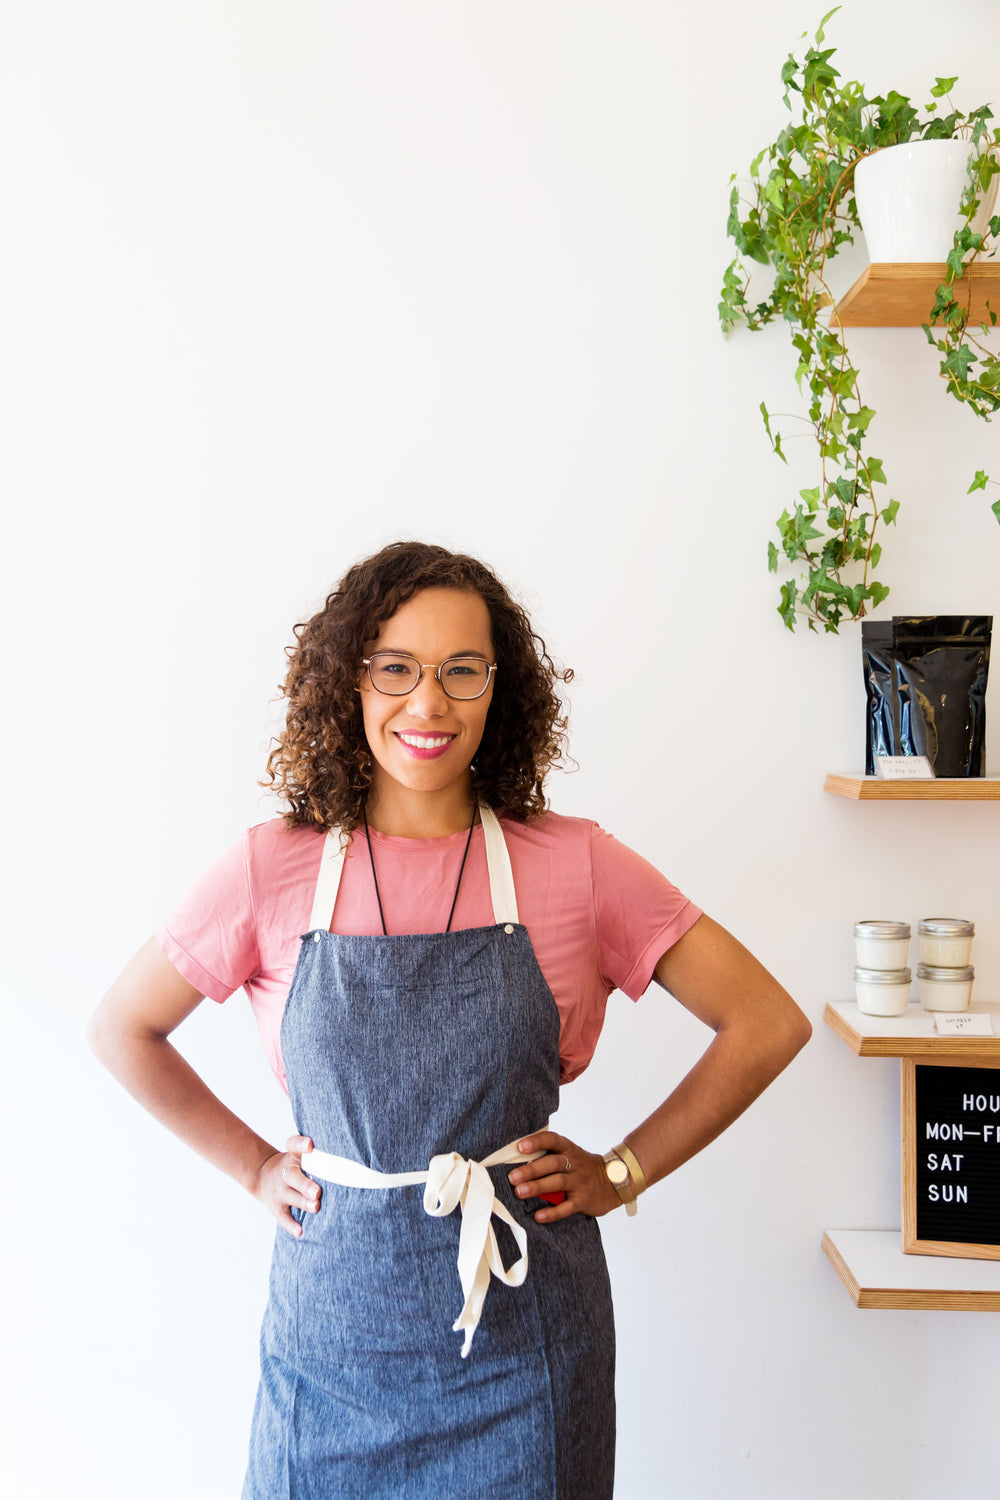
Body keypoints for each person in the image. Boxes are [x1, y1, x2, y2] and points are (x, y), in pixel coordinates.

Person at [88, 540, 811, 1499]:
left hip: (525, 1348)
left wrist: (622, 1170)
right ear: (350, 681)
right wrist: (253, 1165)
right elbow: (122, 1029)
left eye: (460, 671)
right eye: (396, 668)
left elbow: (766, 1021)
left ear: (497, 689)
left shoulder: (575, 865)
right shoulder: (272, 868)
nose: (428, 704)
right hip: (330, 1357)